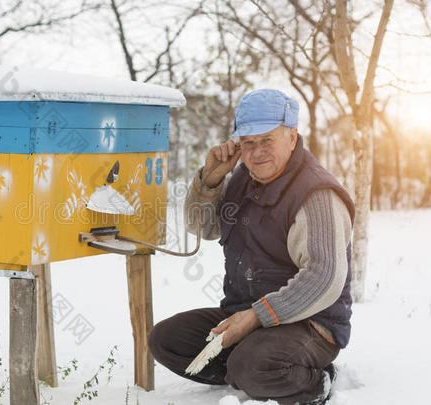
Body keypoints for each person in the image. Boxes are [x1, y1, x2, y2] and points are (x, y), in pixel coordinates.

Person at [148, 89, 355, 405]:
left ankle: (314, 380)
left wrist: (257, 316)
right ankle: (250, 372)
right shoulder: (243, 178)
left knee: (251, 366)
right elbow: (201, 227)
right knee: (166, 340)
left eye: (267, 140)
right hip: (246, 314)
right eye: (248, 143)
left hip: (311, 324)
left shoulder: (316, 194)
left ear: (291, 136)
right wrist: (211, 179)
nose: (257, 152)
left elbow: (324, 277)